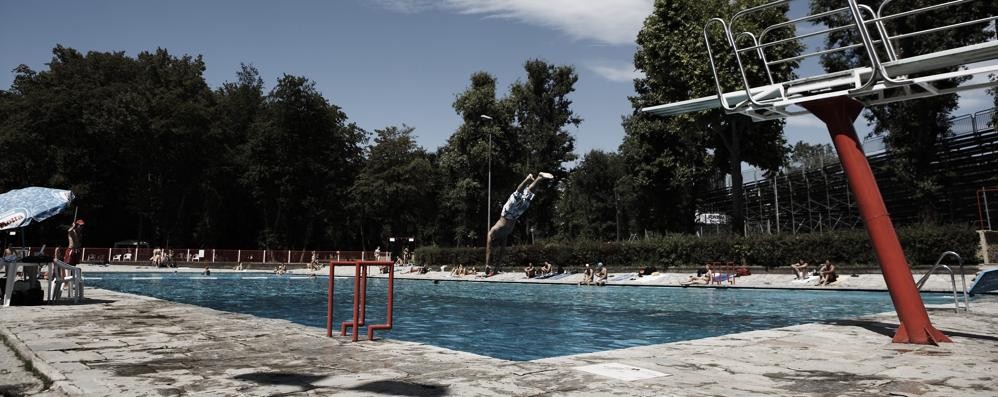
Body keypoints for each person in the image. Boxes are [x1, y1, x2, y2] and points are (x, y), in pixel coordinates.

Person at [485, 172, 554, 274]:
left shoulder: (492, 233)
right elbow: (501, 253)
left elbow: (488, 249)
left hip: (507, 213)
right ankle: (539, 178)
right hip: (516, 215)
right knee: (527, 197)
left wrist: (487, 265)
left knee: (517, 194)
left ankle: (527, 178)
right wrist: (496, 269)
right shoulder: (504, 237)